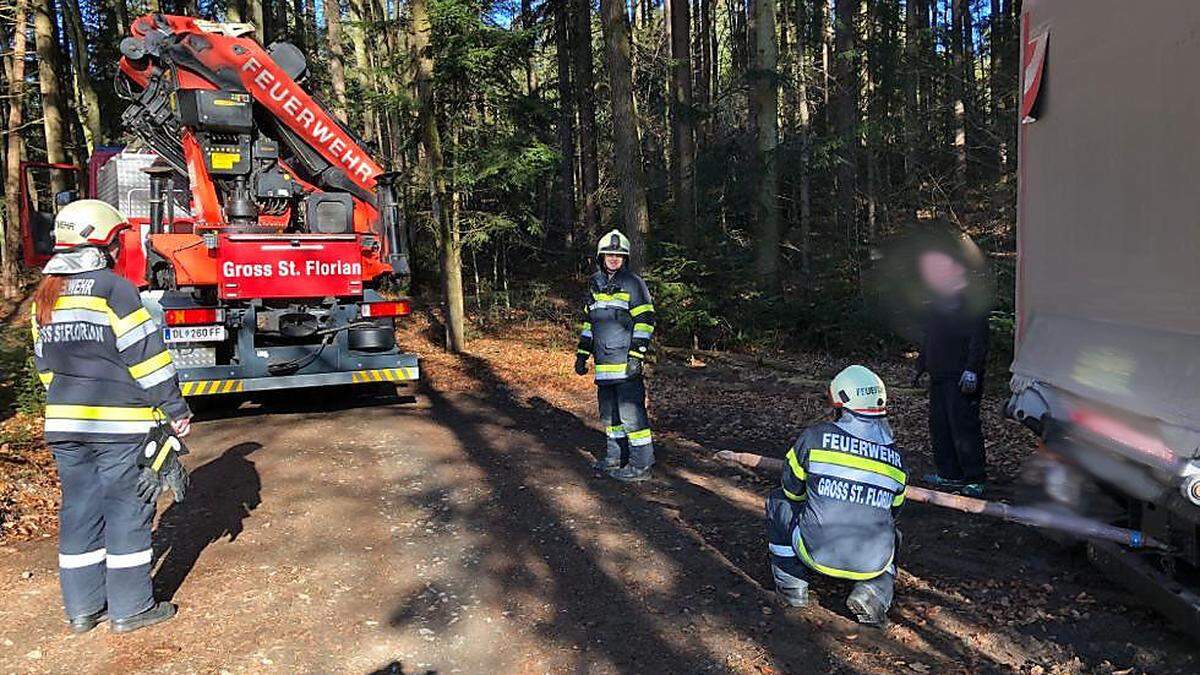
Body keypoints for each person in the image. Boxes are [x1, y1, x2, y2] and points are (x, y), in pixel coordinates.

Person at [31, 200, 193, 634]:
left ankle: (82, 610)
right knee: (127, 511)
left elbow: (45, 366)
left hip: (65, 425)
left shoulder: (45, 294)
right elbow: (147, 359)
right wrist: (175, 409)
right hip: (120, 426)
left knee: (80, 511)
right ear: (105, 243)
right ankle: (131, 608)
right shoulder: (115, 290)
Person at [765, 365, 905, 626]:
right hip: (872, 560)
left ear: (840, 404)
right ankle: (873, 592)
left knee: (778, 503)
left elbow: (791, 491)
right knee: (893, 534)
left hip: (815, 550)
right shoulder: (896, 459)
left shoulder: (814, 438)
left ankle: (792, 586)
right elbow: (893, 512)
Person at [574, 229, 656, 482]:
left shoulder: (633, 283)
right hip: (604, 366)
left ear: (625, 259)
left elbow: (645, 320)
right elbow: (590, 324)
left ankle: (641, 465)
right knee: (610, 417)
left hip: (626, 365)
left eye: (618, 255)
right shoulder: (595, 284)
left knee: (631, 416)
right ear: (601, 257)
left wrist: (636, 355)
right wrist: (581, 354)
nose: (613, 259)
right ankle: (615, 457)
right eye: (609, 254)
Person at [911, 249, 990, 496]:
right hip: (939, 375)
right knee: (940, 426)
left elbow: (979, 339)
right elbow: (931, 337)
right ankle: (949, 474)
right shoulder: (937, 304)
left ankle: (974, 477)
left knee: (964, 427)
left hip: (961, 377)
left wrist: (972, 370)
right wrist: (921, 366)